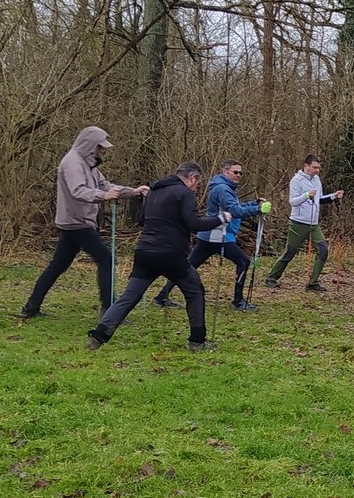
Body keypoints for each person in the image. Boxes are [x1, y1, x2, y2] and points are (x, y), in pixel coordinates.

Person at [86, 162, 230, 351]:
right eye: (197, 184)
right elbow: (194, 223)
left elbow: (140, 220)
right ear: (192, 178)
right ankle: (197, 341)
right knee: (195, 291)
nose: (196, 188)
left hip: (145, 252)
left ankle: (98, 336)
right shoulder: (184, 193)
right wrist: (221, 219)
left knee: (129, 296)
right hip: (170, 254)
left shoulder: (154, 191)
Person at [20, 126, 147, 319]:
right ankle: (109, 309)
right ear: (89, 144)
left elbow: (105, 185)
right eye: (100, 146)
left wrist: (132, 191)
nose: (102, 151)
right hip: (76, 222)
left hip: (75, 222)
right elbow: (78, 191)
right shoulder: (72, 163)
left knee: (58, 266)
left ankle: (30, 307)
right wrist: (103, 196)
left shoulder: (87, 163)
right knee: (107, 259)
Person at [154, 160, 269, 312]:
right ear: (225, 172)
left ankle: (161, 296)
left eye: (241, 173)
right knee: (243, 262)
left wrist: (254, 204)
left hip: (209, 235)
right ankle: (238, 301)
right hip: (219, 235)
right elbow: (235, 212)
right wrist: (258, 209)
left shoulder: (224, 187)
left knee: (187, 266)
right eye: (235, 172)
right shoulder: (223, 189)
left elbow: (236, 206)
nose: (238, 175)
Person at [261, 155, 343, 291]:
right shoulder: (296, 180)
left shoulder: (316, 179)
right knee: (290, 252)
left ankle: (313, 283)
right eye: (314, 167)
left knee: (323, 250)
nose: (317, 170)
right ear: (306, 166)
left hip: (314, 224)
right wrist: (306, 195)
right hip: (298, 223)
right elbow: (292, 201)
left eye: (318, 168)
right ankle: (271, 278)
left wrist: (334, 196)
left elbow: (320, 199)